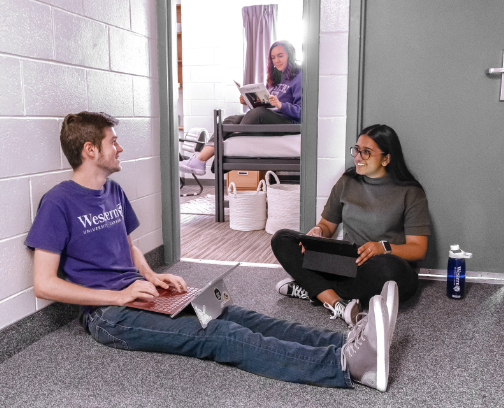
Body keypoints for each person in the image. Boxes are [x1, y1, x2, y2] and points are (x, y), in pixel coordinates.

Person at [25, 111, 400, 392]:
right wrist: (119, 295)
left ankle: (345, 341)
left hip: (143, 295)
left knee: (234, 312)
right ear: (90, 150)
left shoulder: (113, 191)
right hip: (109, 316)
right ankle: (346, 366)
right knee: (216, 335)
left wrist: (152, 277)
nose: (120, 147)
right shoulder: (58, 203)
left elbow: (128, 246)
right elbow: (44, 284)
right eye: (112, 141)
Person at [272, 124, 431, 326]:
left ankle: (313, 289)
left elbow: (418, 250)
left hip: (383, 267)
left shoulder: (411, 192)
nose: (357, 157)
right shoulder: (347, 181)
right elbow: (326, 226)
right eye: (356, 150)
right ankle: (336, 303)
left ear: (386, 158)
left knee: (392, 271)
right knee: (282, 239)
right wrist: (317, 233)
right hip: (346, 263)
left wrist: (382, 248)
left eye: (366, 152)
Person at [179, 40, 301, 176]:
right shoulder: (276, 77)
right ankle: (199, 160)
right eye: (273, 58)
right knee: (231, 119)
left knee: (257, 113)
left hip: (289, 122)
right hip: (270, 116)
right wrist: (249, 101)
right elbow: (266, 104)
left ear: (289, 56)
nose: (276, 61)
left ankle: (218, 157)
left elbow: (302, 113)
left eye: (280, 56)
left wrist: (281, 105)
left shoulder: (300, 77)